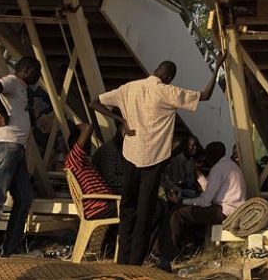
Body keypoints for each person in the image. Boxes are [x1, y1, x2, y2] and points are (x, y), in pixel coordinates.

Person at [89, 55, 224, 266]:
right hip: (154, 157)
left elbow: (94, 102)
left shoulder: (128, 88)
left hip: (130, 155)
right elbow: (205, 95)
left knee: (127, 210)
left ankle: (122, 260)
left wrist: (121, 120)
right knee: (145, 211)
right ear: (169, 77)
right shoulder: (167, 92)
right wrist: (217, 67)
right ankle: (135, 263)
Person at [0, 57, 42, 258]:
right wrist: (4, 113)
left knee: (24, 197)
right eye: (37, 71)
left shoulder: (21, 90)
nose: (38, 77)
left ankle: (9, 250)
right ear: (27, 69)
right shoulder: (11, 81)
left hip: (16, 148)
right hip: (5, 145)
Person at [157, 142, 245, 271]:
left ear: (214, 155)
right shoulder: (228, 166)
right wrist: (199, 175)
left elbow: (205, 201)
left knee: (178, 213)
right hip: (233, 209)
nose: (206, 159)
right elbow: (210, 191)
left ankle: (166, 258)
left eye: (208, 155)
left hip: (224, 211)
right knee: (187, 212)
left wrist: (182, 202)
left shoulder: (218, 168)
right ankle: (184, 248)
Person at [65, 123, 118, 221]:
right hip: (99, 208)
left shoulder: (85, 163)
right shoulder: (74, 159)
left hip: (107, 205)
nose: (89, 146)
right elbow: (87, 127)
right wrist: (75, 126)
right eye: (87, 142)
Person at [92, 124, 125, 194]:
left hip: (115, 187)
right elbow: (110, 179)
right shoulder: (110, 150)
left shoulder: (119, 150)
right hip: (106, 190)